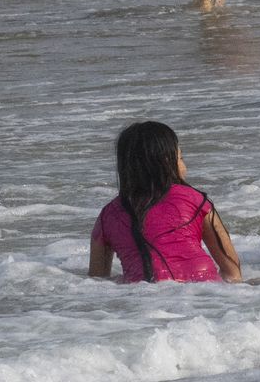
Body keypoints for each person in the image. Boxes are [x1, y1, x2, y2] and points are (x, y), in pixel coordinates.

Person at [89, 121, 241, 283]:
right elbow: (232, 272)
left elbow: (97, 283)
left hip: (143, 295)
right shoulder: (196, 200)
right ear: (168, 162)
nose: (185, 165)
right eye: (181, 158)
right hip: (204, 292)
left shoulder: (108, 216)